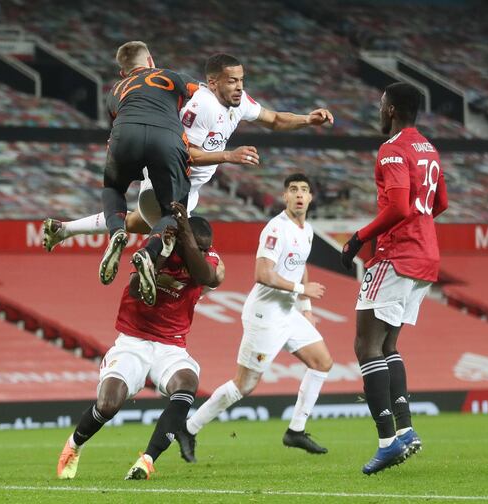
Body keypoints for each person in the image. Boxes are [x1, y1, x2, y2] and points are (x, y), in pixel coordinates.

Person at [43, 53, 333, 253]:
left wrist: (308, 119)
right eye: (232, 81)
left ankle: (65, 230)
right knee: (187, 249)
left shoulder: (240, 101)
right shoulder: (201, 106)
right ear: (213, 82)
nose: (239, 86)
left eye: (241, 79)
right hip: (167, 181)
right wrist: (227, 156)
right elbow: (184, 154)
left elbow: (274, 119)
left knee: (138, 223)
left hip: (189, 188)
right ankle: (145, 270)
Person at [56, 202, 224, 480]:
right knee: (108, 405)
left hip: (172, 346)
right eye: (201, 248)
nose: (207, 253)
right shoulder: (158, 245)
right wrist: (160, 260)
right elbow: (135, 288)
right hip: (133, 340)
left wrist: (188, 238)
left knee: (187, 385)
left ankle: (146, 461)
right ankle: (73, 446)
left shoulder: (205, 256)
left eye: (207, 249)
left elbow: (208, 276)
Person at [178, 173, 333, 462]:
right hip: (265, 315)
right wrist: (302, 289)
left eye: (304, 190)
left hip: (289, 312)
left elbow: (300, 267)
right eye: (293, 190)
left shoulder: (308, 230)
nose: (299, 194)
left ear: (311, 197)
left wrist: (307, 308)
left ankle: (296, 431)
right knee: (244, 386)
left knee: (322, 362)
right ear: (284, 196)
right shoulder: (276, 229)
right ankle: (189, 428)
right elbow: (262, 275)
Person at [340, 82, 448, 475]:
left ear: (392, 110)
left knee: (365, 345)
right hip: (425, 255)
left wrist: (360, 236)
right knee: (388, 344)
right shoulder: (428, 147)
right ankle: (405, 430)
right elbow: (440, 203)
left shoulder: (393, 149)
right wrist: (418, 231)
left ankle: (387, 441)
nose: (380, 110)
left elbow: (400, 204)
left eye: (382, 104)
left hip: (397, 255)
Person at [98, 40, 202, 307]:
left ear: (123, 72)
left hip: (125, 133)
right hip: (166, 137)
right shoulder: (170, 76)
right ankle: (148, 251)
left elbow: (117, 114)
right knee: (173, 211)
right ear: (151, 61)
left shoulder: (115, 90)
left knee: (113, 188)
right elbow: (202, 95)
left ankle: (116, 232)